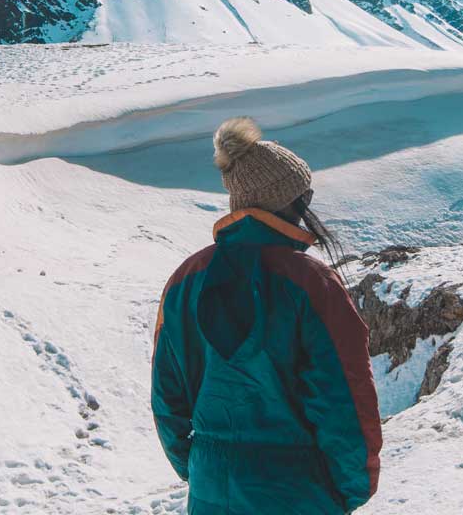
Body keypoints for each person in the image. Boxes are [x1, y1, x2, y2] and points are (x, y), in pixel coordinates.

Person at [151, 117, 382, 514]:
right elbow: (345, 396)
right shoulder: (311, 283)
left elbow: (167, 395)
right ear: (286, 201)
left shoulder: (184, 280)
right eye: (304, 195)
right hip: (298, 491)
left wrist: (198, 468)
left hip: (211, 490)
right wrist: (349, 490)